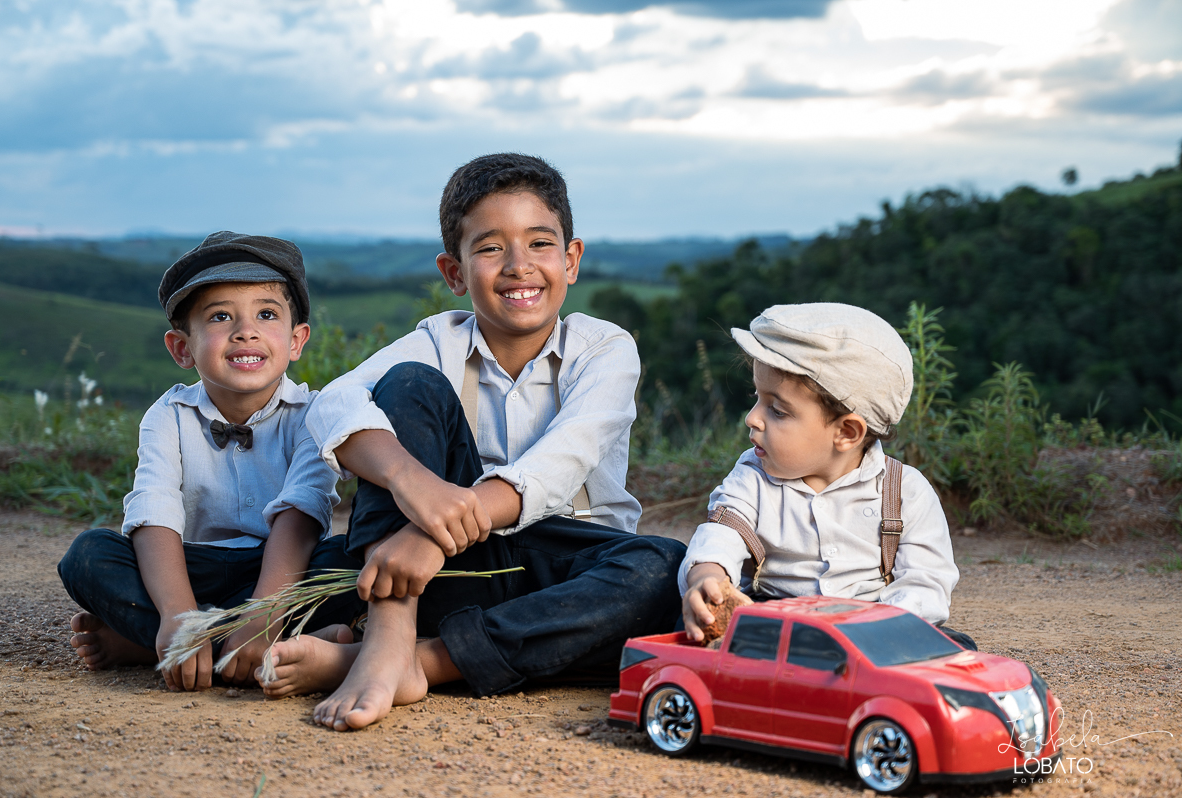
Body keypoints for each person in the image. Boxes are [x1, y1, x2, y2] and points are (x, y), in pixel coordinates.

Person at [262, 153, 685, 730]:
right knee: (406, 391)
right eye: (490, 248)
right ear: (454, 272)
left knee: (661, 571)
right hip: (441, 569)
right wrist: (414, 487)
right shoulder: (439, 340)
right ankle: (389, 631)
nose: (518, 265)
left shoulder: (605, 349)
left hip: (563, 568)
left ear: (572, 259)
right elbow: (335, 400)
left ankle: (413, 661)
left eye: (540, 243)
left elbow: (559, 466)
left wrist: (425, 537)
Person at [57, 232, 363, 691]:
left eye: (266, 314)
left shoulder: (315, 415)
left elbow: (301, 512)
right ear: (183, 348)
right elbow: (154, 510)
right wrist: (180, 615)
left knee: (353, 559)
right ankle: (237, 649)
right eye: (221, 316)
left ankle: (155, 648)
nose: (246, 330)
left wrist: (263, 614)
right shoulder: (167, 416)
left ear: (296, 340)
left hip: (279, 574)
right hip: (186, 573)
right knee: (89, 555)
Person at [680, 303, 975, 650]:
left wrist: (876, 631)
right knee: (699, 629)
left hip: (872, 630)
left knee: (954, 646)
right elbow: (722, 533)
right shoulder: (752, 477)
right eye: (756, 398)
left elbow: (926, 583)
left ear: (847, 432)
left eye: (777, 410)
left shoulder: (905, 492)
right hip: (777, 624)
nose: (752, 418)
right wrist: (708, 575)